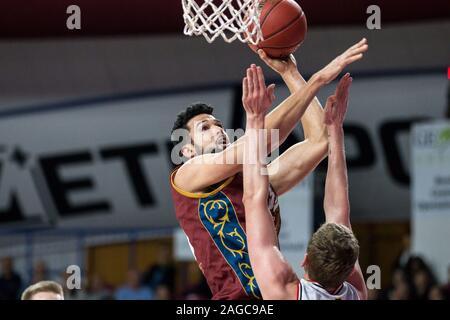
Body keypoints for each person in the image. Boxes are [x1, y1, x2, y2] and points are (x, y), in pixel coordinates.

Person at [170, 39, 368, 300]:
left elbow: (320, 140)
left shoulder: (260, 181)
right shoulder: (187, 176)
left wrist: (290, 72)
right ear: (187, 151)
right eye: (205, 128)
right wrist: (318, 80)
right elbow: (260, 142)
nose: (218, 129)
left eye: (218, 124)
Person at [242, 73, 367, 300]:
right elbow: (253, 199)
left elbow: (340, 214)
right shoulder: (354, 294)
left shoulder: (355, 294)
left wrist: (336, 129)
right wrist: (254, 122)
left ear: (305, 259)